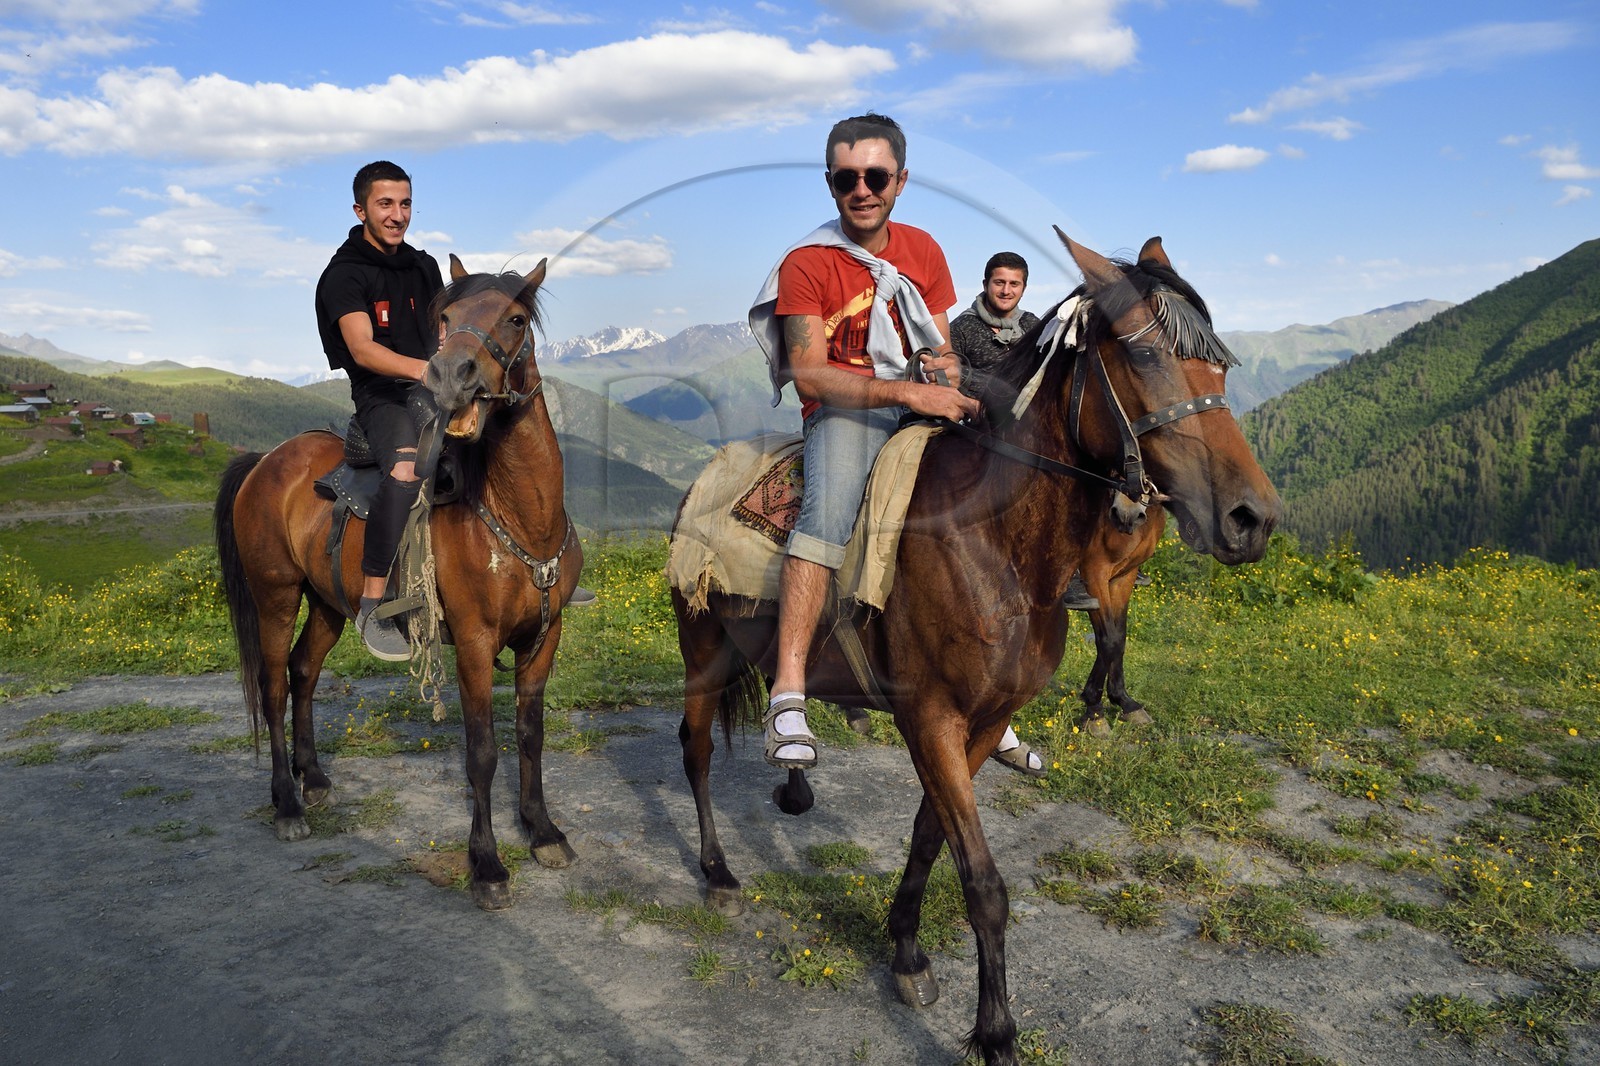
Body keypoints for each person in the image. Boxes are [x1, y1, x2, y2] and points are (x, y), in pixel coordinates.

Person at [749, 113, 980, 769]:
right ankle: (788, 689)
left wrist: (946, 372)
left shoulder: (925, 251)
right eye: (847, 178)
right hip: (845, 409)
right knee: (825, 517)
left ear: (900, 180)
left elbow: (942, 345)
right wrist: (909, 393)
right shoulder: (807, 263)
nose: (862, 189)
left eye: (875, 176)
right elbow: (810, 371)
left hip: (919, 395)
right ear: (831, 184)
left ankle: (974, 668)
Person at [315, 160, 443, 661]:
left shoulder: (424, 266)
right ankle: (372, 604)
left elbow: (443, 331)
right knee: (407, 467)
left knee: (514, 431)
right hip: (381, 395)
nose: (397, 215)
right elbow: (363, 349)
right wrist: (423, 371)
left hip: (432, 387)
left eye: (405, 203)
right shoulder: (344, 274)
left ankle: (550, 568)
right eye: (385, 204)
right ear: (360, 209)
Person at [947, 252, 1051, 776]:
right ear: (985, 283)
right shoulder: (963, 328)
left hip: (1021, 444)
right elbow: (960, 380)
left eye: (1014, 283)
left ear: (1024, 288)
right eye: (998, 282)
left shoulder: (1033, 326)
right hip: (975, 436)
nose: (1006, 290)